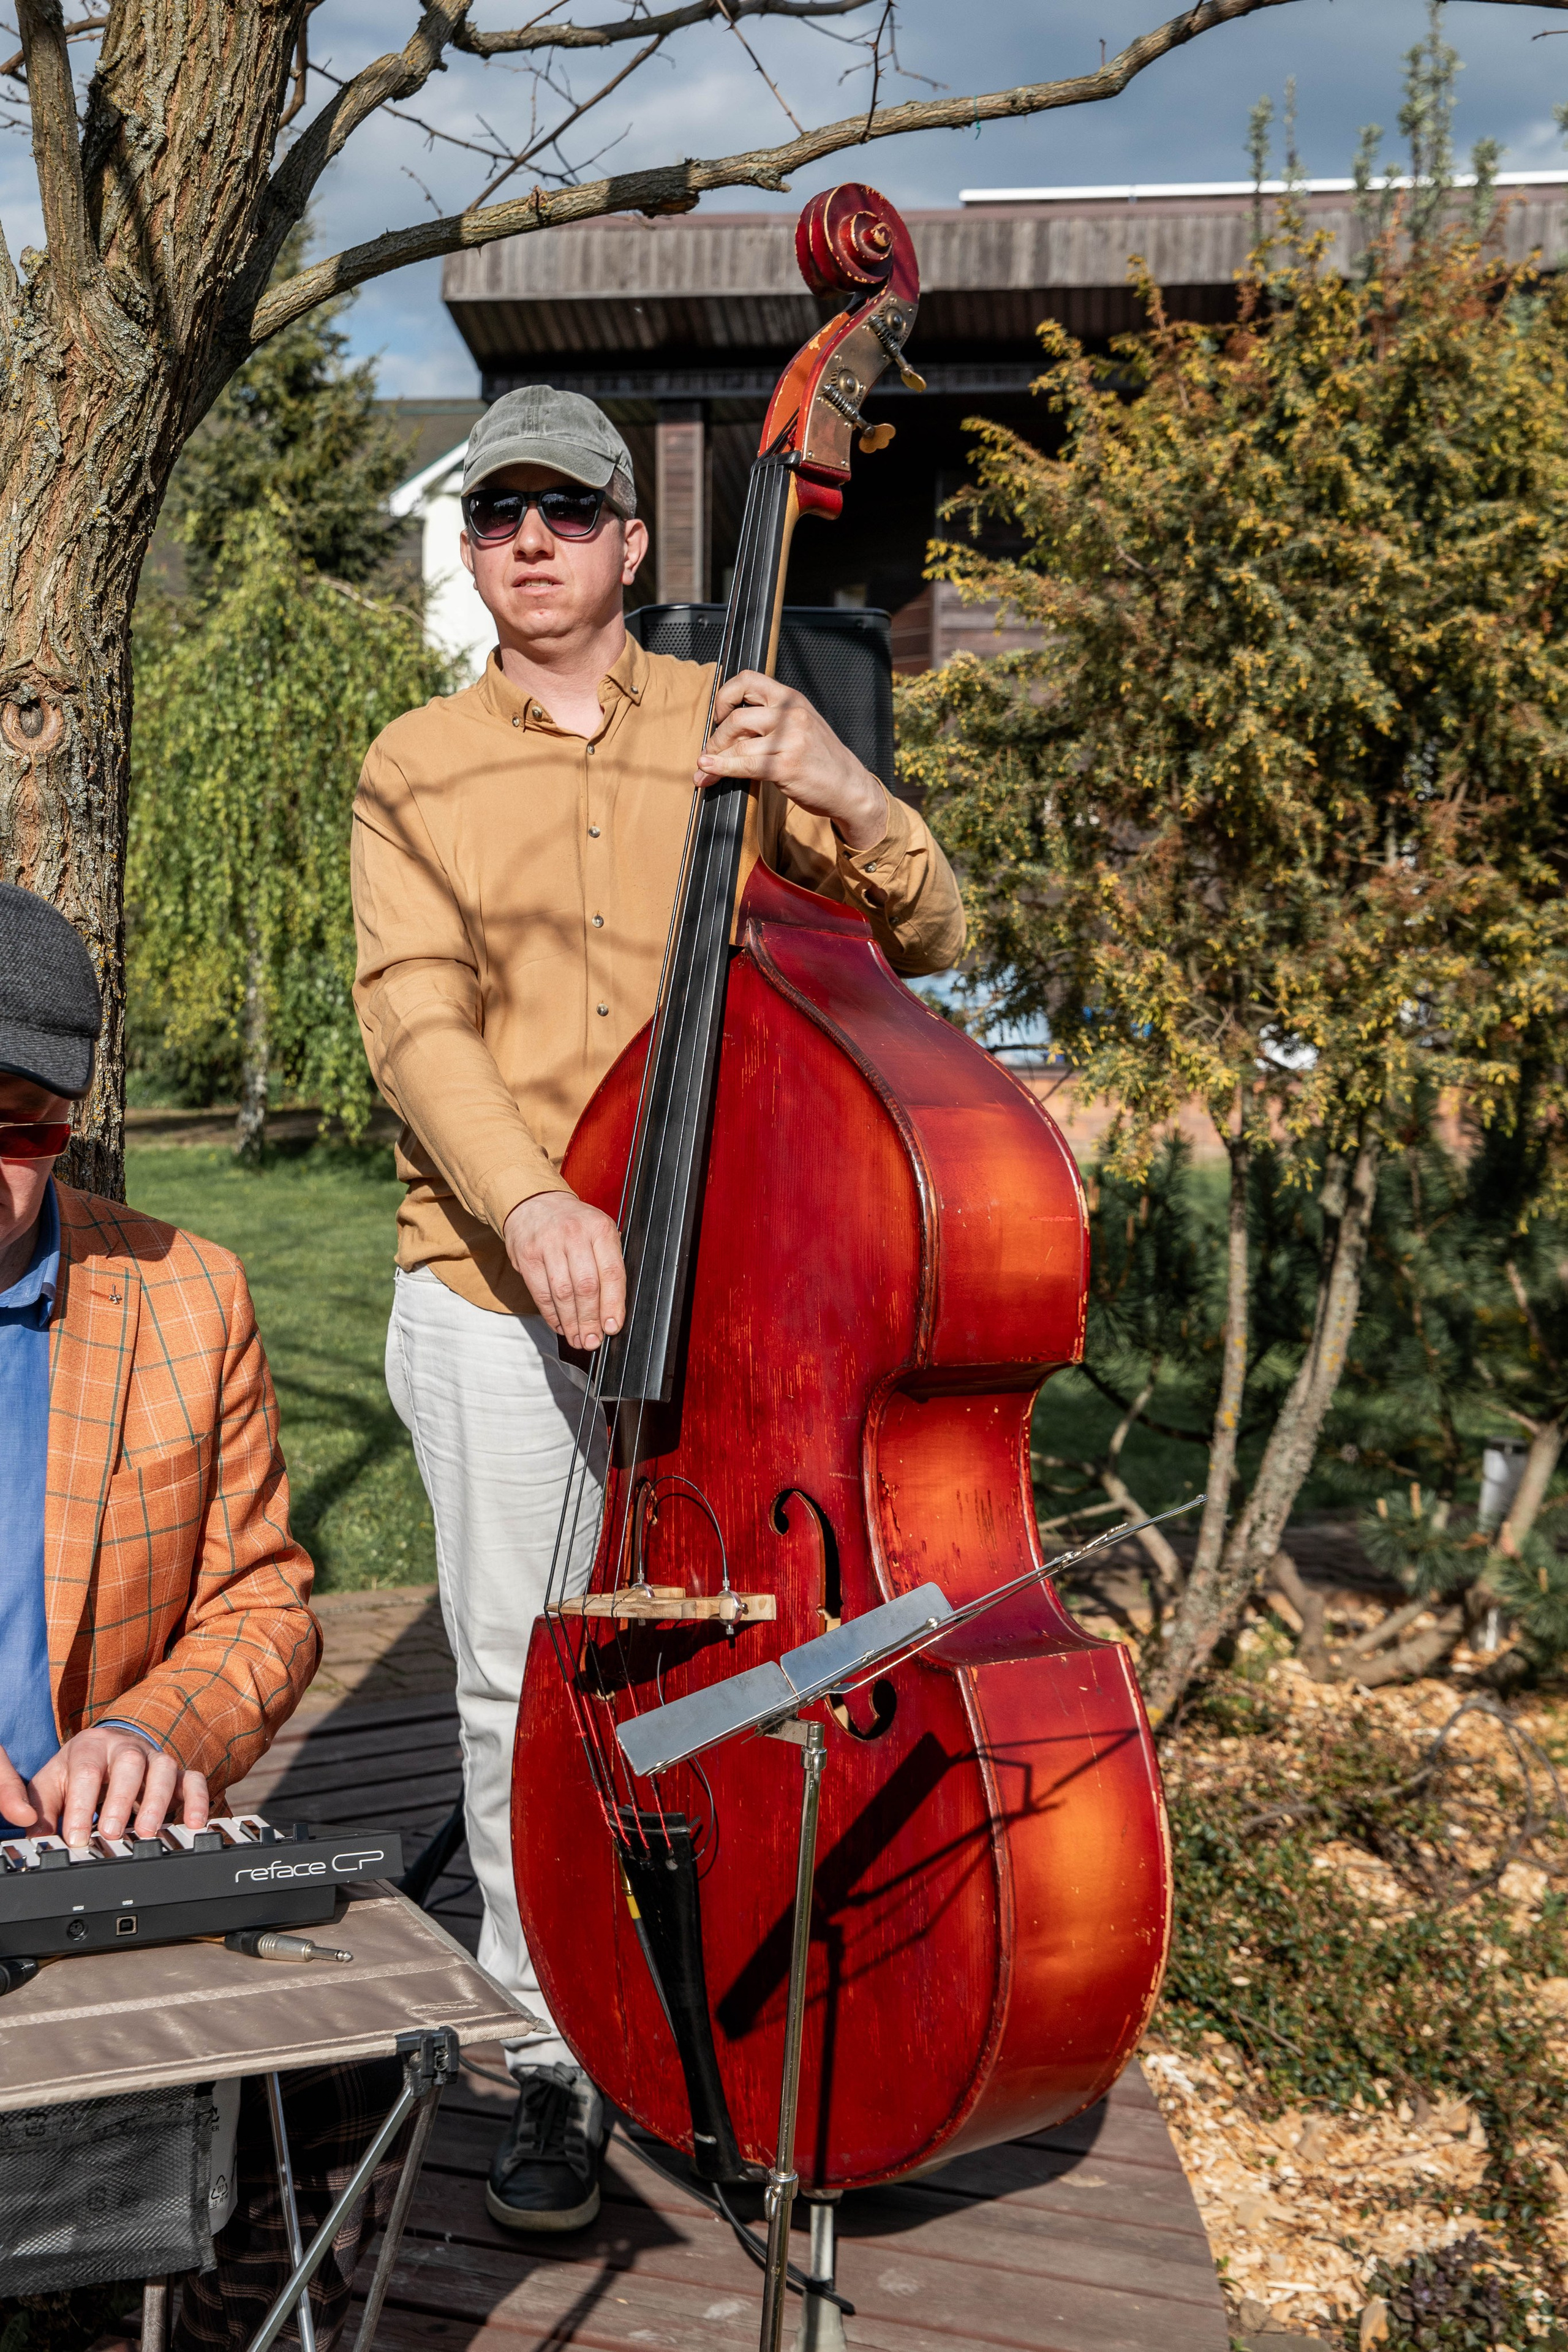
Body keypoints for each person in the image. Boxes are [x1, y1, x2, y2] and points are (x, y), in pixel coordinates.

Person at [350, 385, 965, 2234]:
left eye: (565, 508)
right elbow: (412, 1014)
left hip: (740, 1297)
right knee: (516, 1684)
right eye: (494, 513)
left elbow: (934, 938)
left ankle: (739, 2021)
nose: (527, 539)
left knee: (740, 1676)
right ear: (474, 553)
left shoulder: (741, 724)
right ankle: (549, 2052)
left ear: (632, 540)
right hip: (491, 1281)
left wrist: (846, 787)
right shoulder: (412, 764)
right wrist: (534, 1198)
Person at [0, 882, 320, 1844]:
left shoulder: (192, 1297)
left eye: (23, 1129)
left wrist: (151, 1730)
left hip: (96, 1857)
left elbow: (262, 1604)